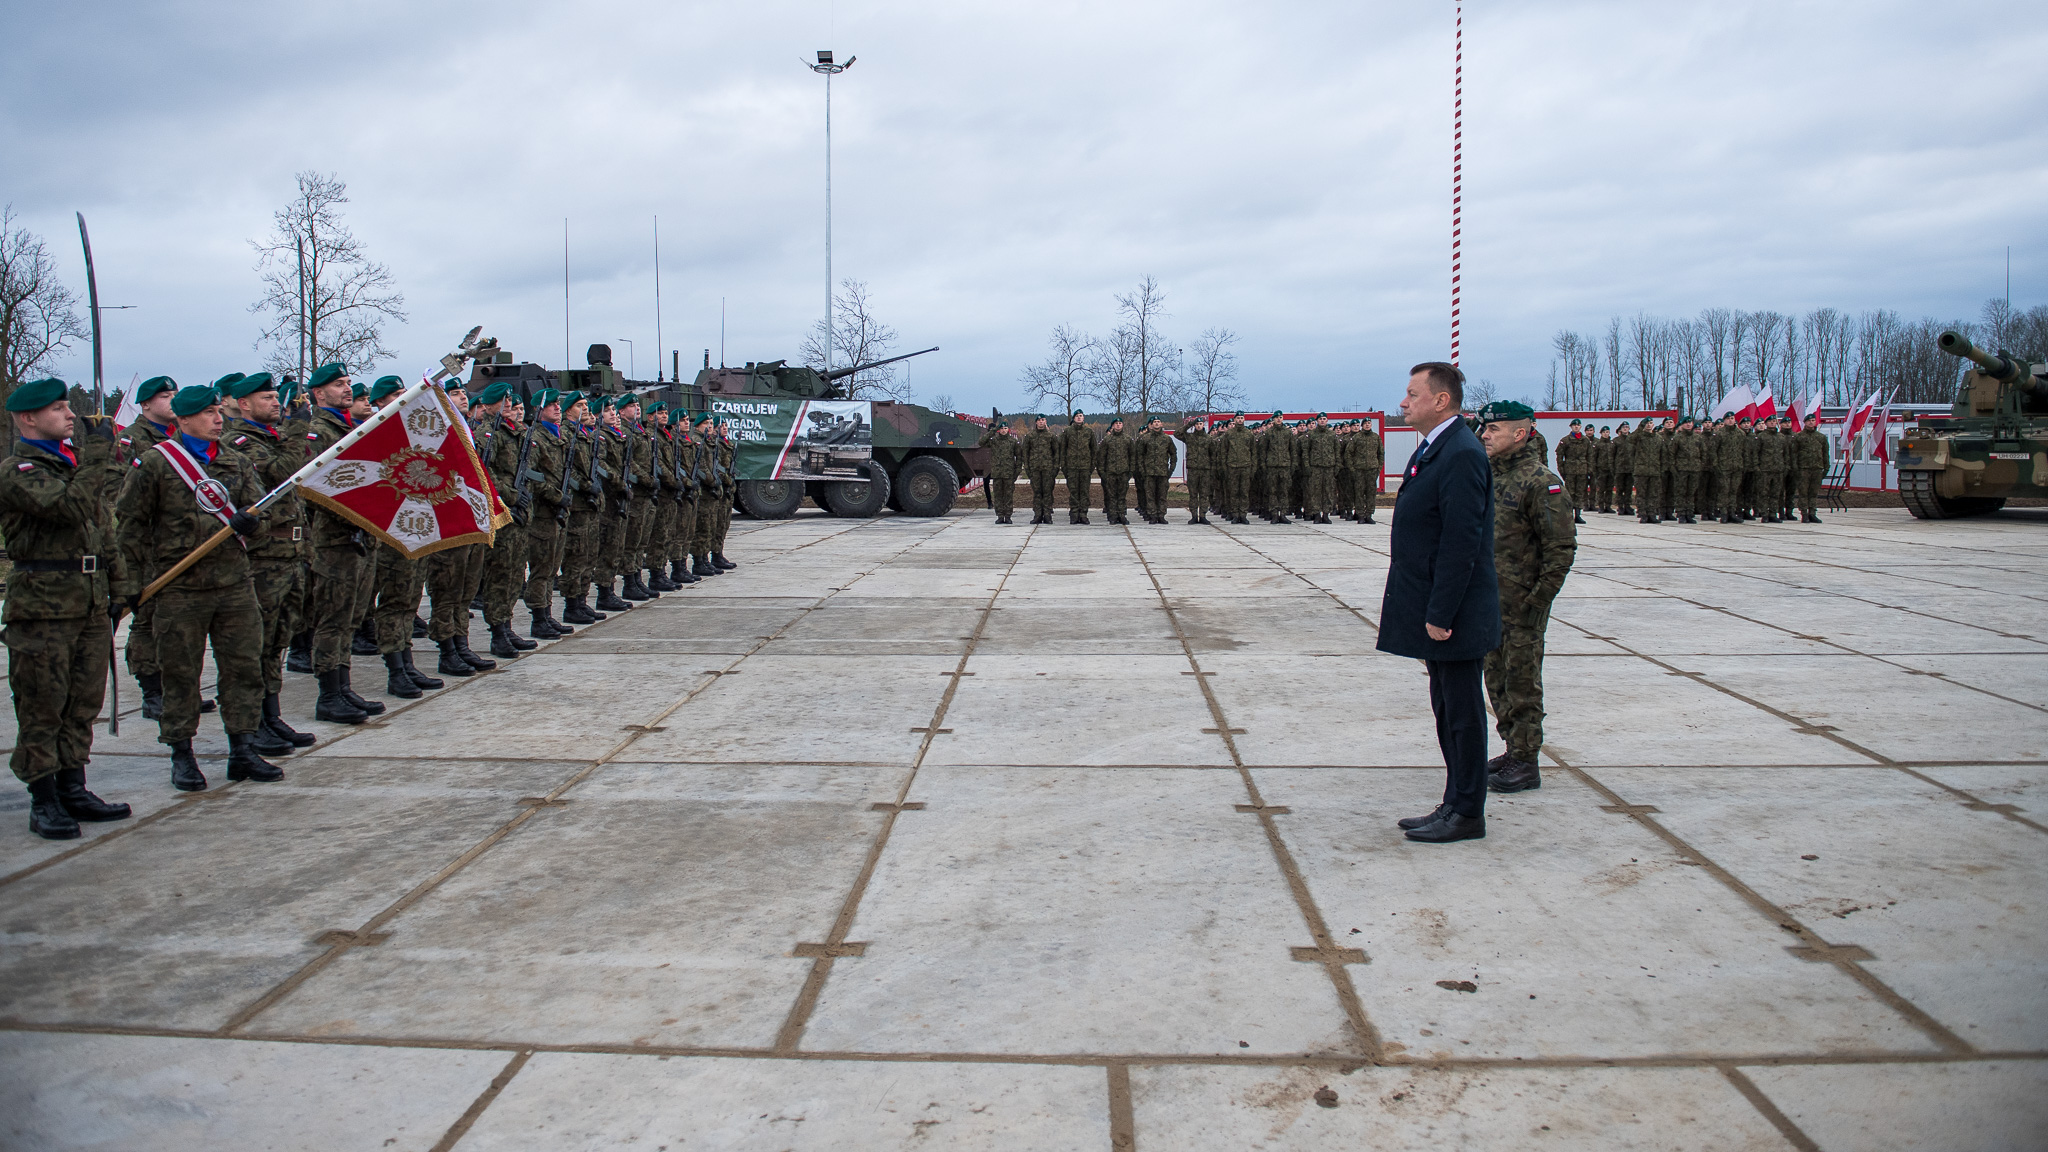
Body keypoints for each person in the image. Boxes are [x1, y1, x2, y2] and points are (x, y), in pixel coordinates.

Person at [115, 384, 284, 790]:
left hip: (233, 586)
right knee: (181, 674)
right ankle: (182, 754)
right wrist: (131, 586)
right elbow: (129, 527)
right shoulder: (155, 464)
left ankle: (242, 749)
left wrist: (251, 524)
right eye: (208, 413)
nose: (217, 419)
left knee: (243, 669)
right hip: (179, 588)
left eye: (217, 411)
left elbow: (263, 517)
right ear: (184, 419)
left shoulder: (237, 463)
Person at [3, 378, 132, 838]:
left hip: (89, 602)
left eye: (67, 406)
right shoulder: (18, 469)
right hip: (43, 607)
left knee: (82, 703)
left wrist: (119, 589)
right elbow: (69, 508)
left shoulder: (75, 466)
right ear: (28, 418)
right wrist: (97, 456)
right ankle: (44, 798)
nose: (70, 414)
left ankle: (73, 785)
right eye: (58, 409)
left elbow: (102, 532)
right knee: (43, 705)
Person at [1380, 362, 1500, 844]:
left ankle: (1468, 812)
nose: (1404, 402)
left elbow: (1461, 542)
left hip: (1454, 613)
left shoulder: (1462, 454)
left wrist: (1440, 614)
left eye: (1412, 394)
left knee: (1463, 712)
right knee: (1447, 709)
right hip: (1435, 606)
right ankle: (1454, 802)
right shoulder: (1438, 447)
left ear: (1441, 400)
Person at [1475, 401, 1577, 793]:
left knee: (1522, 683)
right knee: (1496, 679)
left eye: (1494, 429)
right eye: (1485, 428)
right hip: (1490, 602)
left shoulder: (1541, 482)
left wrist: (1538, 602)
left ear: (1520, 433)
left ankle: (1527, 760)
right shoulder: (1492, 476)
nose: (1485, 434)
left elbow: (1560, 550)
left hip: (1522, 606)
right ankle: (1512, 748)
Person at [221, 372, 316, 749]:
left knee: (278, 641)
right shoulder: (239, 441)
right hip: (262, 558)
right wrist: (297, 429)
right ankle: (252, 722)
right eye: (267, 398)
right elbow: (282, 474)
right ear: (243, 404)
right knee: (256, 645)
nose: (277, 403)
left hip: (289, 554)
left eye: (277, 397)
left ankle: (271, 715)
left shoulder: (276, 438)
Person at [301, 363, 381, 724]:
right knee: (332, 620)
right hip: (333, 540)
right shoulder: (317, 432)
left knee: (350, 618)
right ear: (319, 394)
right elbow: (314, 489)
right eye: (338, 384)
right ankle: (329, 694)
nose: (348, 389)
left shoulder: (354, 427)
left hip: (358, 536)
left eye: (349, 383)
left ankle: (344, 686)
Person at [976, 417, 1021, 524]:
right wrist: (992, 431)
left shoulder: (1013, 442)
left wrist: (1017, 472)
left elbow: (1019, 457)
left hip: (1008, 473)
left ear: (1008, 429)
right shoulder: (994, 441)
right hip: (997, 473)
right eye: (1001, 429)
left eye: (1005, 428)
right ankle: (1000, 515)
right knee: (998, 495)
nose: (1004, 430)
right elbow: (981, 442)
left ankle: (1008, 516)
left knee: (1008, 496)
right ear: (999, 430)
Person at [1057, 411, 1096, 524]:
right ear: (1073, 418)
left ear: (1083, 418)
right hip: (1071, 467)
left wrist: (1091, 466)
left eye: (1081, 416)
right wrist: (1064, 466)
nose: (1079, 418)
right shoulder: (1067, 432)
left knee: (1084, 492)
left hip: (1085, 467)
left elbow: (1094, 450)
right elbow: (1063, 450)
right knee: (1073, 492)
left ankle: (1083, 514)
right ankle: (1074, 514)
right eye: (1077, 416)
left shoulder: (1089, 432)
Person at [1096, 416, 1134, 525]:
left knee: (1122, 496)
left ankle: (1121, 515)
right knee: (1111, 496)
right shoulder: (1107, 440)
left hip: (1123, 472)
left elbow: (1132, 456)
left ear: (1122, 425)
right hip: (1110, 472)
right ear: (1112, 426)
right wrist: (1102, 472)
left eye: (1120, 423)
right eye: (1116, 423)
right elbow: (1101, 457)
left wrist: (1130, 471)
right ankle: (1112, 516)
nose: (1118, 425)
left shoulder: (1127, 439)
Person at [1176, 415, 1214, 525]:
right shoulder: (1190, 437)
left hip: (1205, 470)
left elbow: (1213, 455)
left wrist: (1211, 468)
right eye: (1196, 424)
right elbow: (1177, 434)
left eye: (1200, 424)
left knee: (1204, 494)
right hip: (1193, 470)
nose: (1198, 426)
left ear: (1203, 425)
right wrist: (1189, 424)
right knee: (1193, 494)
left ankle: (1202, 515)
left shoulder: (1208, 439)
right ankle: (1193, 515)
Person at [1791, 415, 1829, 523]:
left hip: (1817, 468)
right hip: (1803, 468)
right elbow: (1794, 454)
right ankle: (1804, 514)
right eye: (1809, 421)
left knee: (1814, 492)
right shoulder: (1799, 437)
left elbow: (1825, 453)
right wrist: (1795, 469)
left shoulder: (1821, 437)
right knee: (1803, 492)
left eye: (1813, 421)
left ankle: (1812, 513)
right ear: (1805, 423)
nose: (1811, 423)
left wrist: (1826, 467)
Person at [1137, 415, 1174, 524]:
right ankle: (1152, 515)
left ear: (1161, 424)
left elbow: (1173, 454)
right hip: (1149, 472)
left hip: (1163, 472)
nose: (1157, 423)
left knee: (1162, 495)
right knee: (1150, 495)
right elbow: (1140, 456)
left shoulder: (1167, 439)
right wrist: (1142, 471)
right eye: (1155, 422)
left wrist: (1171, 469)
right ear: (1151, 425)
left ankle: (1161, 515)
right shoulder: (1146, 438)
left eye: (1158, 421)